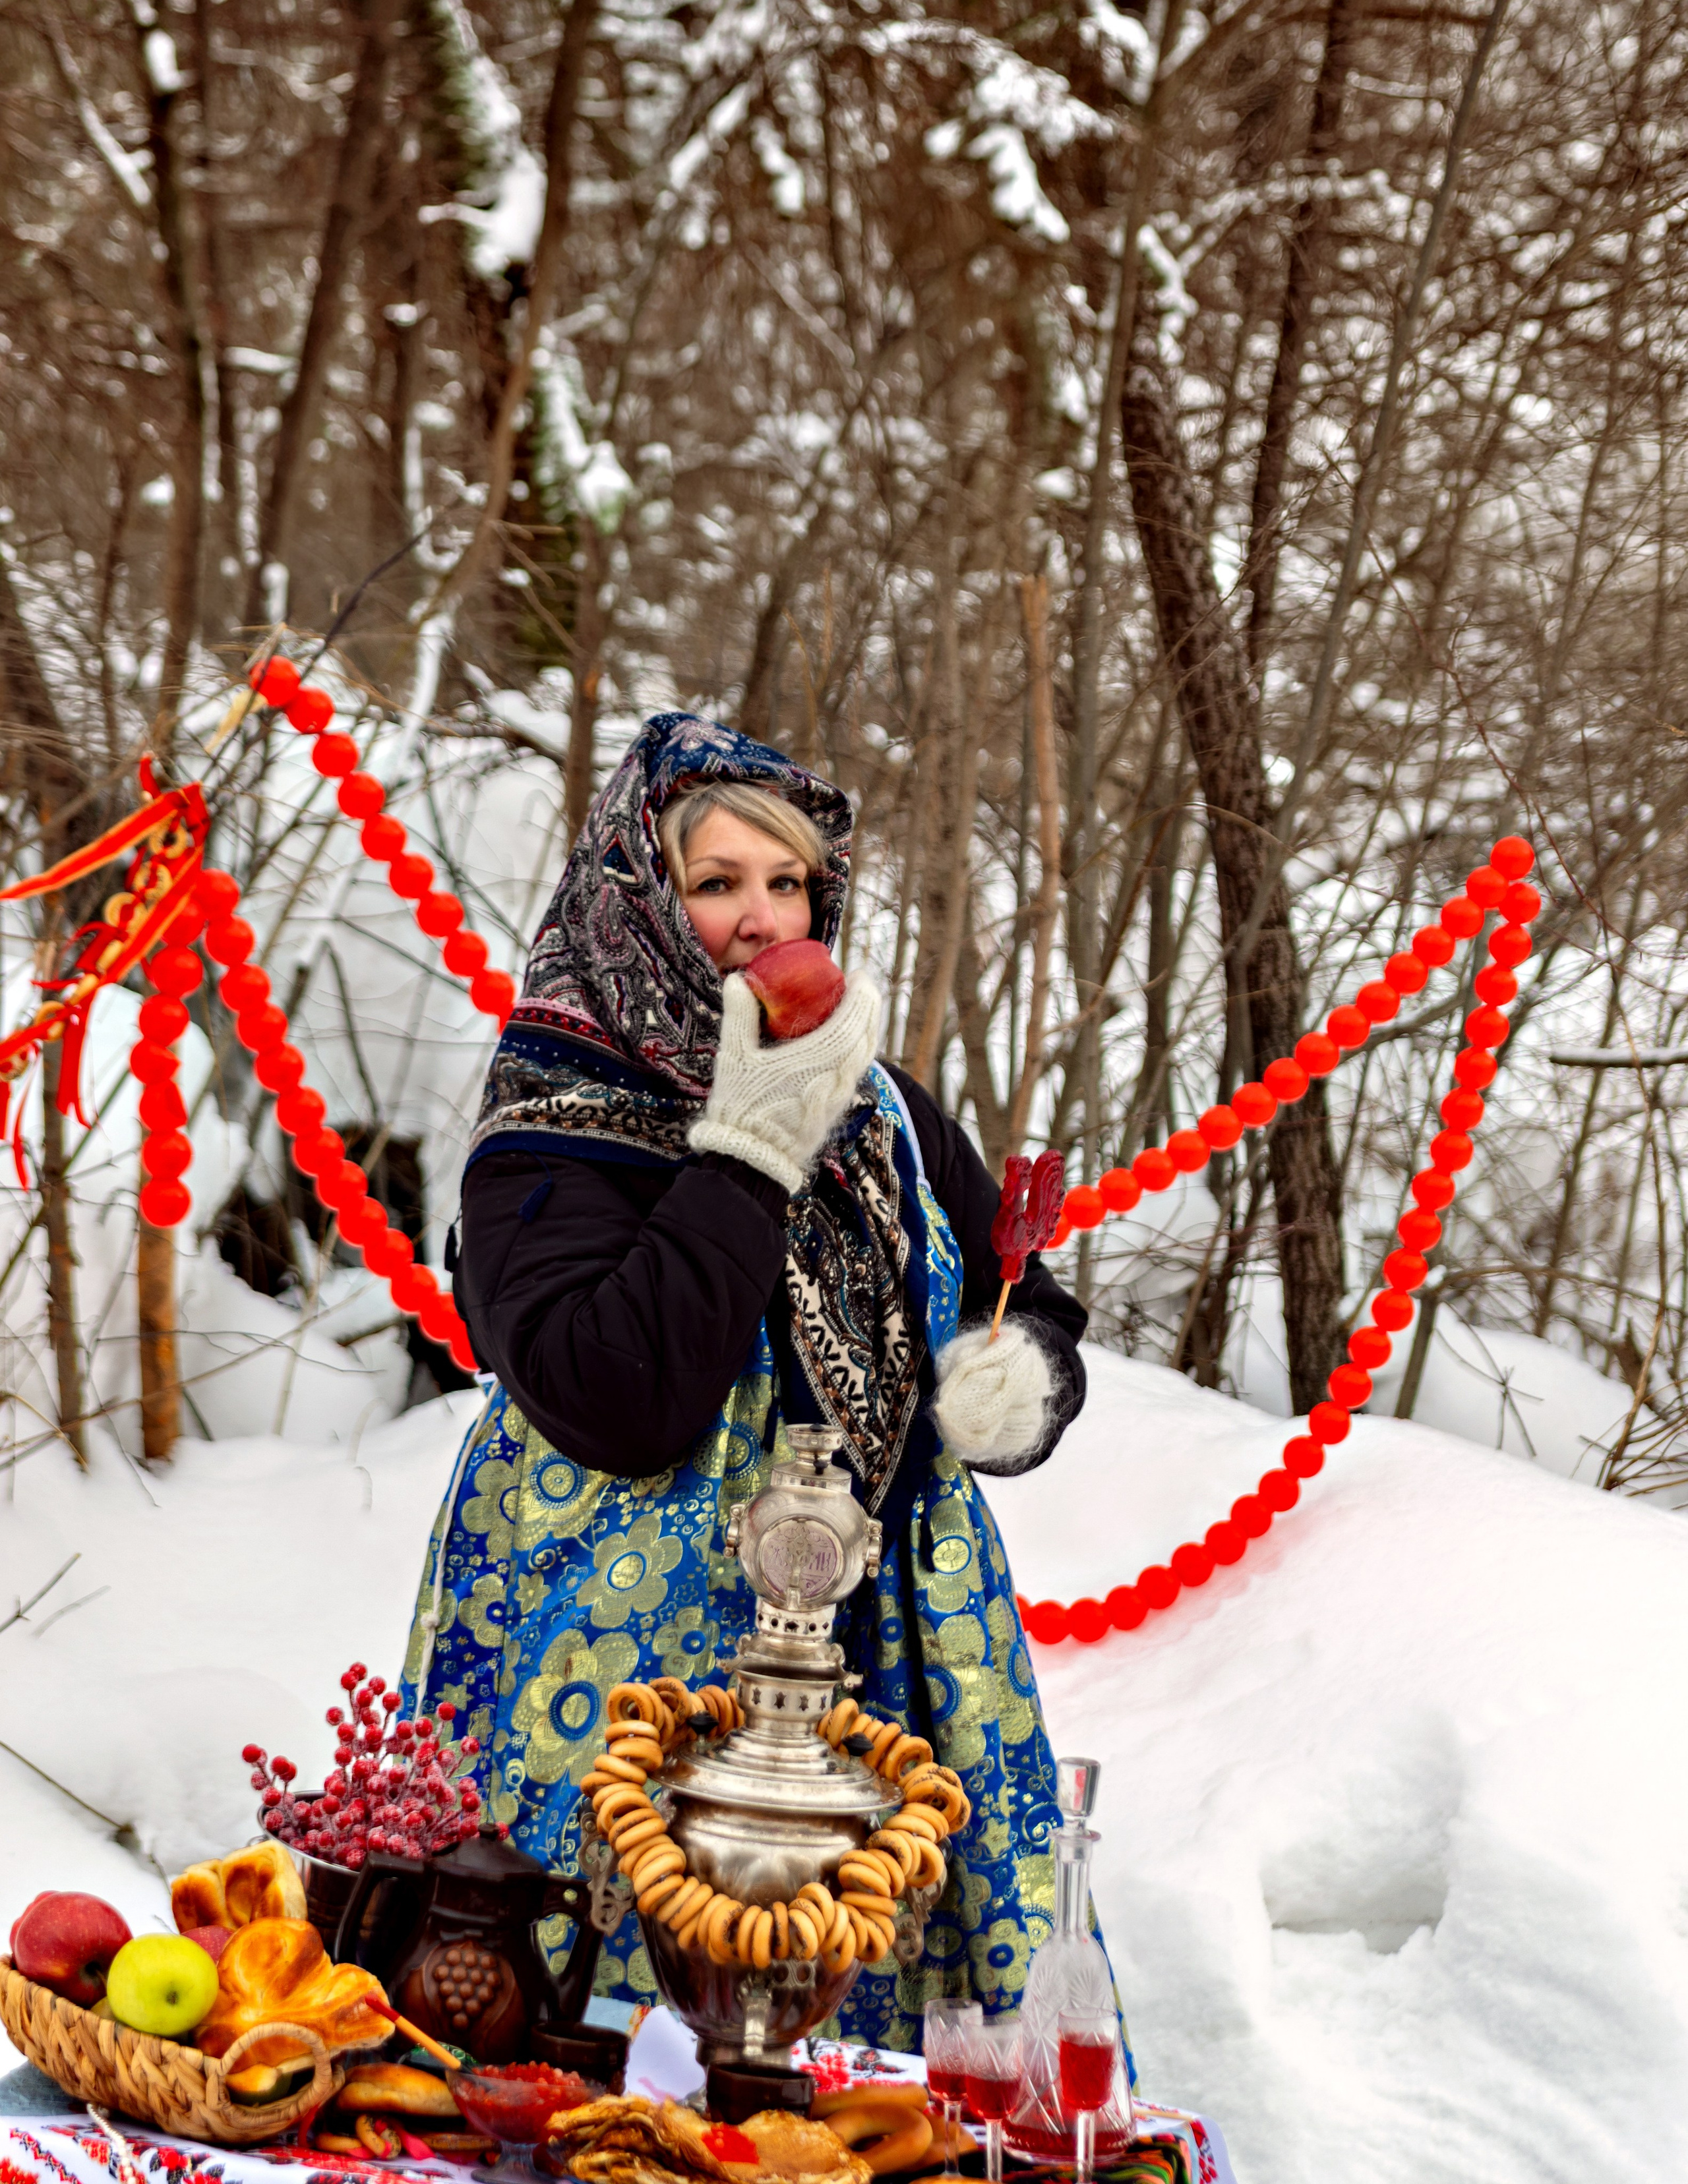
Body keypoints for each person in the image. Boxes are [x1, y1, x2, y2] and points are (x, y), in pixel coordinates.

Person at [402, 711, 1088, 2048]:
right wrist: (748, 1146)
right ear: (642, 904)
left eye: (789, 885)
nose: (760, 920)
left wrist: (1022, 1382)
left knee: (867, 2060)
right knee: (593, 2044)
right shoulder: (553, 1118)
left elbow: (1023, 1298)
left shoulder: (887, 1110)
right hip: (615, 1657)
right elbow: (618, 1396)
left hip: (880, 1640)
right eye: (717, 884)